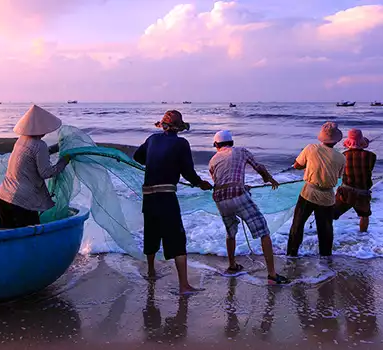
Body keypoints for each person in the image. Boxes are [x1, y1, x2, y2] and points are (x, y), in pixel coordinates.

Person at [134, 110, 212, 295]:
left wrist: (155, 161)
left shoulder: (152, 139)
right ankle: (184, 286)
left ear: (162, 125)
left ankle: (151, 271)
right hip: (166, 196)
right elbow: (188, 172)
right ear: (179, 127)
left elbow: (138, 157)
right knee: (177, 239)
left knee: (151, 234)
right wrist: (200, 183)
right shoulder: (181, 143)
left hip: (148, 197)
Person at [207, 130, 288, 284]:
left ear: (216, 145)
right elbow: (260, 167)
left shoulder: (212, 160)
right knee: (263, 231)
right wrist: (268, 179)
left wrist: (242, 186)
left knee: (230, 232)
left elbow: (221, 182)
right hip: (237, 194)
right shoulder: (241, 151)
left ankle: (232, 266)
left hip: (219, 198)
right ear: (231, 142)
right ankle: (272, 275)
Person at [0, 105, 69, 229]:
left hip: (4, 197)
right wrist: (64, 161)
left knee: (6, 236)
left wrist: (56, 148)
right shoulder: (39, 145)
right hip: (23, 202)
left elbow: (33, 155)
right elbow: (46, 172)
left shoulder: (21, 141)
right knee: (30, 235)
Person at [286, 122, 346, 257]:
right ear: (336, 140)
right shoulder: (341, 157)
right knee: (325, 229)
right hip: (327, 197)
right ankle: (325, 258)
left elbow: (297, 165)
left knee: (298, 224)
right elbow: (338, 176)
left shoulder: (310, 148)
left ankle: (291, 255)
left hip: (309, 193)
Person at [333, 129, 377, 232]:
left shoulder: (342, 156)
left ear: (348, 143)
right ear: (362, 142)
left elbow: (339, 174)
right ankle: (363, 236)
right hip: (363, 193)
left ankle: (326, 237)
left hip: (345, 193)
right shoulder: (371, 156)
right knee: (364, 216)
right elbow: (369, 169)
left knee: (331, 215)